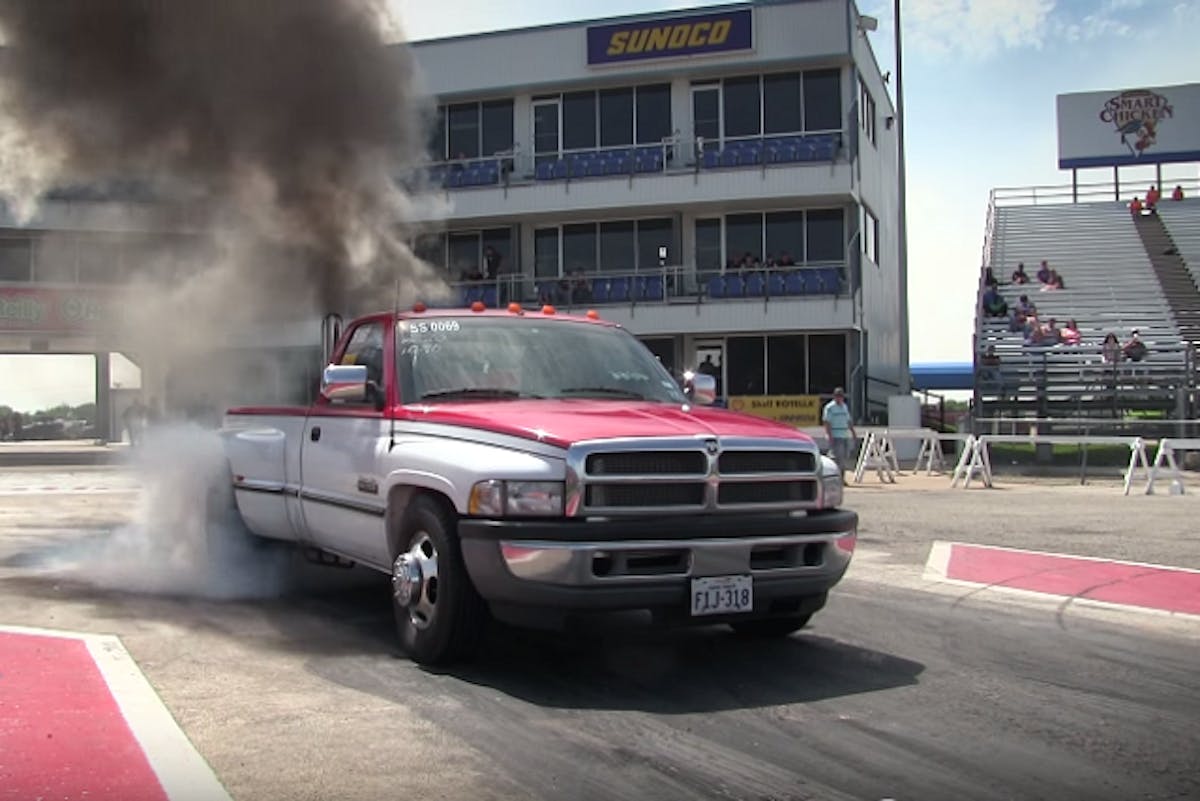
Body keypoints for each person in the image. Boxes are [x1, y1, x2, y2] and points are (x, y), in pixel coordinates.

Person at [822, 387, 856, 478]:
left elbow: (848, 420)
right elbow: (827, 422)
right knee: (837, 457)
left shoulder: (844, 406)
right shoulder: (830, 407)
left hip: (844, 435)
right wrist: (830, 436)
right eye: (837, 396)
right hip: (835, 435)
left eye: (841, 396)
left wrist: (853, 432)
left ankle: (841, 477)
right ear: (834, 396)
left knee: (844, 458)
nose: (839, 398)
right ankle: (836, 477)